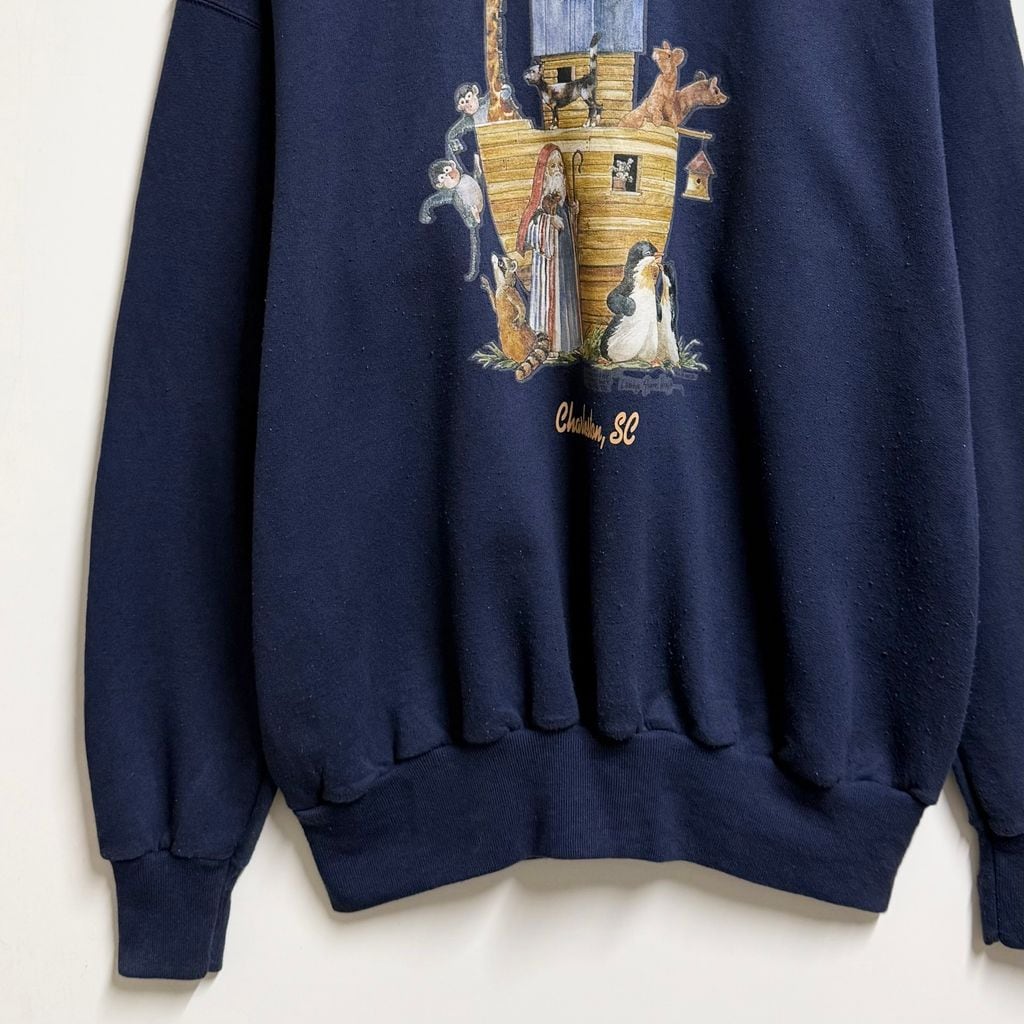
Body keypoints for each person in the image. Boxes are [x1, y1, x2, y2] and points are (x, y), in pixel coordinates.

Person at [516, 145, 582, 353]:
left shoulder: (562, 203)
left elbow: (569, 233)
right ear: (544, 172)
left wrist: (572, 215)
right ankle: (546, 344)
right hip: (547, 268)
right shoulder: (539, 204)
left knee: (566, 299)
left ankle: (568, 344)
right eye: (553, 166)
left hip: (566, 263)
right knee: (549, 302)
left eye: (560, 166)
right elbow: (530, 230)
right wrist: (548, 222)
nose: (558, 170)